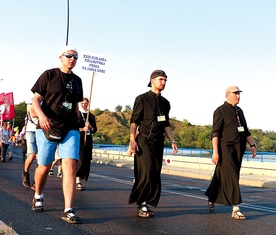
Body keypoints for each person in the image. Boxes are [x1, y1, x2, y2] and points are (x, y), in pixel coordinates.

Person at [30, 45, 83, 224]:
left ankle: (68, 209)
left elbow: (75, 104)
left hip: (70, 128)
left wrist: (80, 122)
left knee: (69, 165)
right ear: (60, 57)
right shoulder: (49, 75)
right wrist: (43, 117)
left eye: (75, 57)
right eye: (69, 56)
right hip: (47, 126)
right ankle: (38, 194)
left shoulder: (77, 81)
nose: (72, 59)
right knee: (44, 166)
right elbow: (35, 99)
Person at [127, 69, 178, 218]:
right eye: (161, 79)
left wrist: (172, 140)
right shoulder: (142, 99)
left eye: (165, 80)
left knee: (155, 173)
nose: (164, 82)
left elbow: (166, 124)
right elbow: (134, 122)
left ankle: (146, 203)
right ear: (152, 81)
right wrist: (132, 141)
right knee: (147, 170)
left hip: (158, 142)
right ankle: (141, 202)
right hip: (143, 140)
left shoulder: (165, 103)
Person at [205, 86, 257, 220]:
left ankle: (212, 197)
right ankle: (235, 208)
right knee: (233, 176)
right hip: (225, 148)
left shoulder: (239, 111)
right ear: (227, 95)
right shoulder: (220, 111)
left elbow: (245, 131)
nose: (238, 96)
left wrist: (252, 144)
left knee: (221, 174)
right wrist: (215, 152)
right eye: (235, 94)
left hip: (238, 149)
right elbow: (215, 133)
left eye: (239, 94)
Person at [76, 97, 97, 191]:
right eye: (83, 103)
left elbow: (94, 130)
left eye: (86, 103)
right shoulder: (77, 114)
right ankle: (76, 180)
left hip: (88, 139)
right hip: (79, 139)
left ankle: (80, 180)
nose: (84, 105)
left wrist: (90, 127)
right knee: (80, 160)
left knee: (86, 161)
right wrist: (82, 129)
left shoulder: (91, 116)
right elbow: (73, 127)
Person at [22, 102, 39, 189]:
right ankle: (26, 173)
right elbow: (32, 112)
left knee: (40, 159)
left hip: (42, 131)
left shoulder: (47, 99)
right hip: (31, 131)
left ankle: (36, 181)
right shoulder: (31, 99)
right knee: (32, 155)